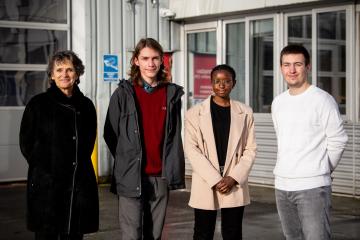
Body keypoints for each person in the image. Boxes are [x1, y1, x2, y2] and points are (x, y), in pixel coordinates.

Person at [103, 38, 185, 240]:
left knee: (154, 235)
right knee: (132, 235)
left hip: (160, 177)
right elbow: (110, 133)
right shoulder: (123, 94)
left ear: (162, 61)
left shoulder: (171, 94)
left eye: (155, 58)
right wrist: (128, 158)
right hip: (131, 176)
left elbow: (173, 135)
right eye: (145, 58)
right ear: (136, 61)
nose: (151, 63)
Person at [19, 50, 99, 240]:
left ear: (77, 73)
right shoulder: (38, 104)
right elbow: (26, 142)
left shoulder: (86, 106)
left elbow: (88, 142)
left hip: (77, 184)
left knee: (73, 233)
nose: (64, 74)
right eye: (59, 70)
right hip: (47, 184)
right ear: (52, 75)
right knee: (47, 234)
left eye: (70, 70)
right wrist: (45, 168)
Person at [272, 45, 348, 240]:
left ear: (308, 67)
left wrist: (322, 168)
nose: (292, 70)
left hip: (313, 186)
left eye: (298, 64)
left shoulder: (322, 100)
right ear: (281, 68)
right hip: (282, 185)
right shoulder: (278, 103)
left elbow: (338, 140)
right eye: (287, 65)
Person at [185, 64, 257, 240]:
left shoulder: (245, 112)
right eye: (217, 81)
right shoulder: (194, 113)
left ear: (234, 83)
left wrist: (233, 178)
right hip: (206, 179)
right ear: (211, 83)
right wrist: (215, 179)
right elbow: (191, 149)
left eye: (227, 81)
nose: (222, 85)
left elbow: (251, 148)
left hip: (234, 179)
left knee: (233, 232)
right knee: (203, 232)